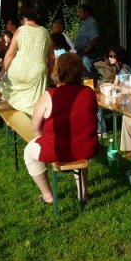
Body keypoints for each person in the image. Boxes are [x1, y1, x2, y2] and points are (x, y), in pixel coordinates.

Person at [23, 53, 98, 204]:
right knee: (79, 145)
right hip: (87, 147)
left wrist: (42, 140)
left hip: (58, 149)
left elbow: (35, 126)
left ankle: (48, 196)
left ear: (57, 71)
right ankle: (83, 193)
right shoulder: (89, 92)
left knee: (28, 153)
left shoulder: (50, 95)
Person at [0, 7, 53, 115]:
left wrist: (3, 72)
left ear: (25, 18)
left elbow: (10, 53)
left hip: (18, 71)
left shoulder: (21, 30)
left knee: (7, 90)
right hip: (38, 73)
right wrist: (49, 75)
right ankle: (33, 122)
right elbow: (51, 57)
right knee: (34, 106)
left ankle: (15, 119)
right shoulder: (45, 32)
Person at [74, 4, 99, 76]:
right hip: (82, 52)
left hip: (87, 54)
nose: (78, 14)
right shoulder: (85, 23)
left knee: (87, 75)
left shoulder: (92, 23)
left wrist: (86, 50)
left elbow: (95, 37)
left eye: (80, 12)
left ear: (87, 13)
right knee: (82, 74)